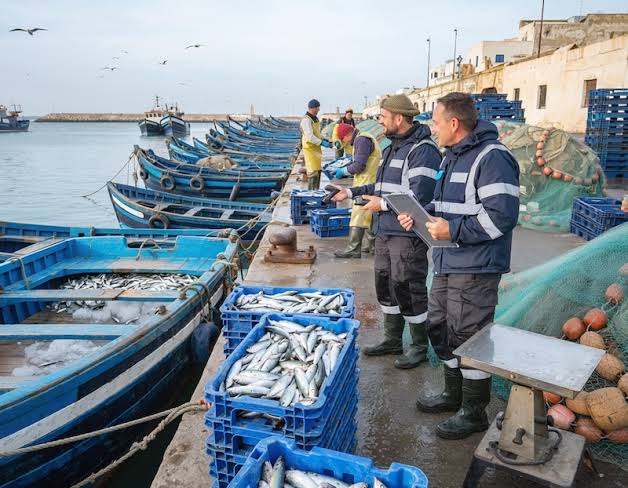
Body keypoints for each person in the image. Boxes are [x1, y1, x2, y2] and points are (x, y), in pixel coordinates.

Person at [398, 92, 520, 439]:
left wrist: (453, 230)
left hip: (477, 266)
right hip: (448, 259)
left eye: (436, 122)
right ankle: (453, 393)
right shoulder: (452, 156)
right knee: (439, 326)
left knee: (469, 335)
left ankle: (473, 411)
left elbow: (502, 217)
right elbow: (446, 205)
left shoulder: (492, 157)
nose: (432, 128)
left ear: (454, 123)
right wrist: (421, 217)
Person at [332, 94, 441, 369]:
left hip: (407, 234)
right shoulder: (392, 147)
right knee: (386, 285)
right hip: (385, 230)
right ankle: (392, 339)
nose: (379, 121)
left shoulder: (423, 150)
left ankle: (418, 346)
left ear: (399, 118)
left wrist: (382, 205)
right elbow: (379, 188)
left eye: (383, 116)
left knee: (409, 288)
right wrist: (350, 192)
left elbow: (420, 196)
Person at [332, 123, 381, 258]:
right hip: (371, 180)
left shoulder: (361, 140)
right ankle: (372, 245)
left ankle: (353, 248)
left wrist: (344, 171)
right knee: (370, 213)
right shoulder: (365, 137)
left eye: (343, 139)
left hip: (366, 182)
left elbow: (359, 165)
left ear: (347, 135)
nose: (345, 143)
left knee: (358, 215)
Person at [300, 99, 332, 190]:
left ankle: (316, 191)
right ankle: (311, 193)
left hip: (316, 150)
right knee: (312, 173)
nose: (318, 110)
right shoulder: (306, 120)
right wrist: (321, 142)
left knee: (317, 171)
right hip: (310, 149)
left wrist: (324, 139)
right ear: (312, 108)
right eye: (317, 108)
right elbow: (310, 136)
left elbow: (317, 133)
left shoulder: (315, 119)